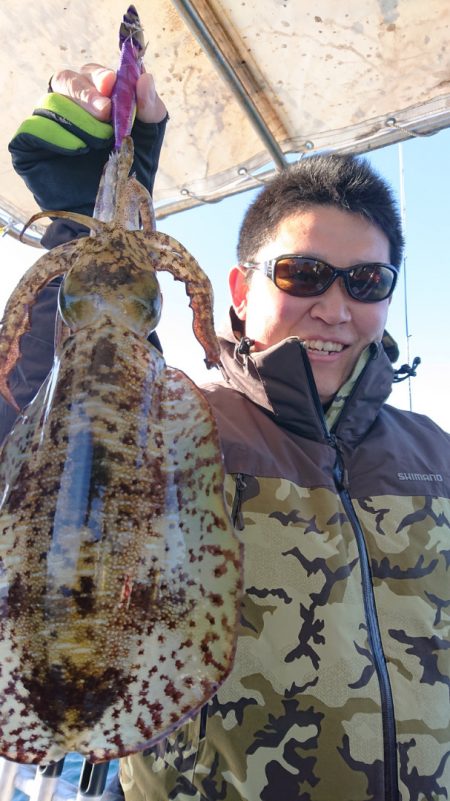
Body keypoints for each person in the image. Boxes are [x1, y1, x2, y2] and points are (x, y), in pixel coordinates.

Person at [4, 64, 450, 801]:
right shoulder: (185, 422)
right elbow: (54, 436)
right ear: (239, 292)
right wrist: (75, 234)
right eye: (304, 274)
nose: (336, 307)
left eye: (366, 282)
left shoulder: (436, 452)